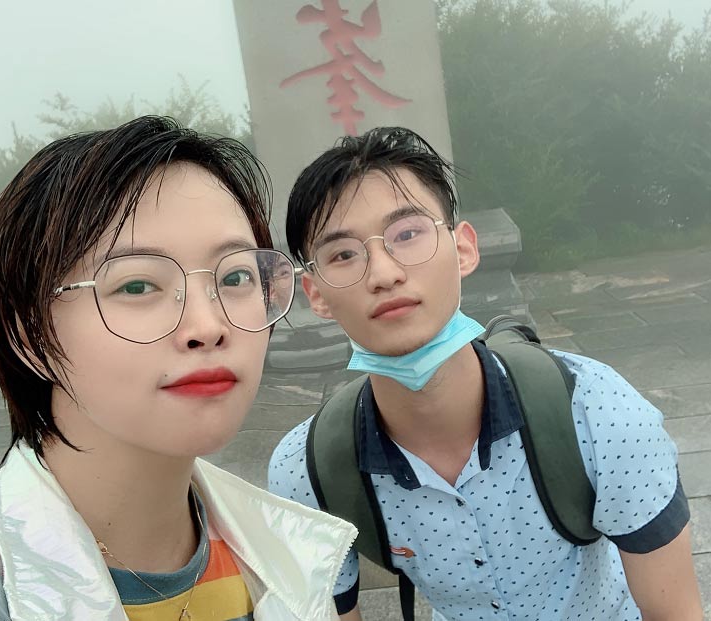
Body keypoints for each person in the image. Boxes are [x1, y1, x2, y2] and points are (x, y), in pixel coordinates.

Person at [268, 126, 702, 620]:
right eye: (344, 254)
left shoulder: (599, 414)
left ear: (464, 250)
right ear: (316, 294)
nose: (384, 273)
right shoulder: (306, 472)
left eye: (407, 234)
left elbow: (675, 612)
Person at [0, 116, 356, 621]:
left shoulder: (293, 556)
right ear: (27, 336)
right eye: (137, 285)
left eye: (236, 277)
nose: (208, 326)